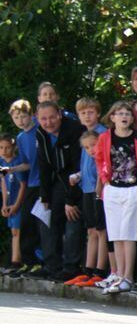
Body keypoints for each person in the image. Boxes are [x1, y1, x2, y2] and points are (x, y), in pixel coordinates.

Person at [95, 100, 137, 294]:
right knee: (116, 234)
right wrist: (105, 181)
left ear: (132, 118)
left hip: (132, 188)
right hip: (113, 189)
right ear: (112, 117)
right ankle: (118, 274)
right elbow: (99, 159)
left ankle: (128, 276)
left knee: (129, 233)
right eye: (120, 113)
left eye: (127, 113)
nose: (124, 116)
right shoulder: (105, 138)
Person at [35, 101, 86, 280]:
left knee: (73, 218)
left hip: (77, 181)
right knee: (46, 217)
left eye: (51, 117)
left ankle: (71, 267)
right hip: (56, 181)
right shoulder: (41, 133)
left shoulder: (74, 129)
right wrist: (44, 195)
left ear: (60, 115)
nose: (48, 122)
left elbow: (77, 166)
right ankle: (52, 265)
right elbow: (43, 165)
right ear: (37, 119)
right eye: (43, 119)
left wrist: (70, 200)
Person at [68, 128, 111, 286]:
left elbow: (101, 174)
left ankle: (100, 271)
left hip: (99, 193)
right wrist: (77, 176)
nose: (90, 150)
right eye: (86, 147)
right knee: (91, 231)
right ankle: (88, 270)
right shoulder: (87, 157)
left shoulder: (103, 156)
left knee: (101, 231)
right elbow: (85, 171)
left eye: (93, 145)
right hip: (87, 191)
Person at [7, 100, 43, 276]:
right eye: (16, 118)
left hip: (45, 183)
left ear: (31, 115)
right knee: (26, 223)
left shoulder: (40, 130)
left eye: (23, 116)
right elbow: (26, 164)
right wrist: (11, 169)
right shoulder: (20, 138)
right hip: (32, 183)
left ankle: (42, 261)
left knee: (42, 224)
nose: (20, 121)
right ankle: (29, 261)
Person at [0, 134, 24, 273]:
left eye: (7, 147)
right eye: (1, 148)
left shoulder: (17, 163)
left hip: (18, 201)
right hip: (9, 202)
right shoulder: (1, 163)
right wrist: (4, 204)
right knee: (13, 230)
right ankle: (14, 259)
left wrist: (16, 204)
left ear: (13, 148)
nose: (4, 151)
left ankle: (17, 260)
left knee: (17, 230)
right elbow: (3, 184)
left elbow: (23, 185)